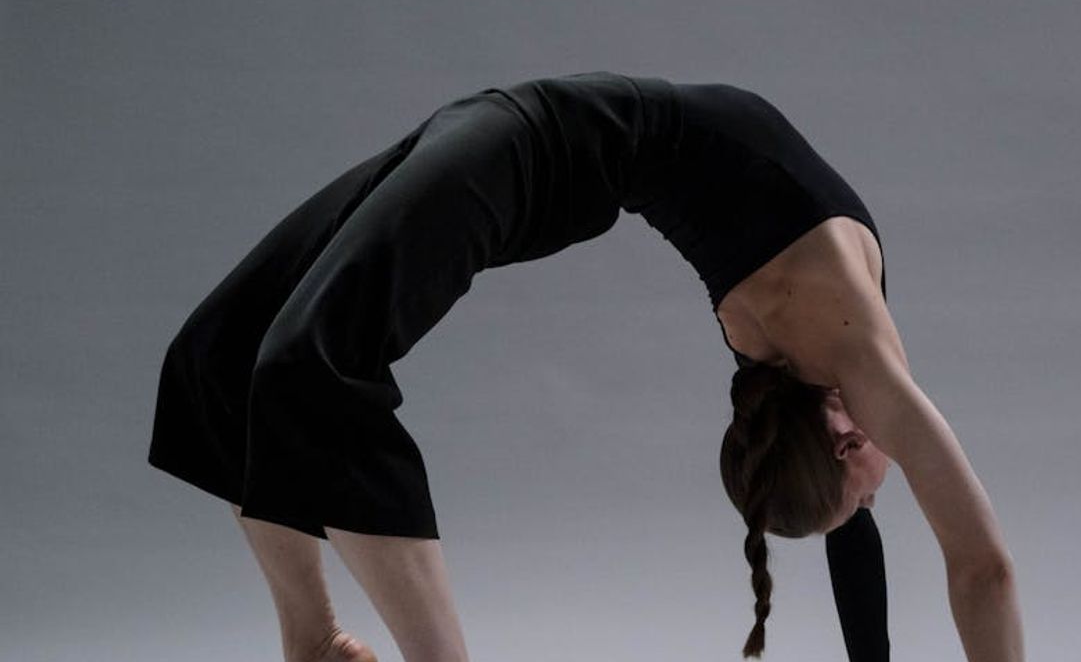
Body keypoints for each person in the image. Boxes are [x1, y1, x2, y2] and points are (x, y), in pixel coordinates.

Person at [148, 71, 1024, 662]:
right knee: (225, 357)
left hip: (517, 142)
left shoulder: (790, 372)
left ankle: (312, 645)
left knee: (289, 364)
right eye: (868, 497)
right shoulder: (860, 357)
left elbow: (849, 533)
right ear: (845, 437)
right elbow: (983, 564)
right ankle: (318, 643)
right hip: (521, 142)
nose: (880, 499)